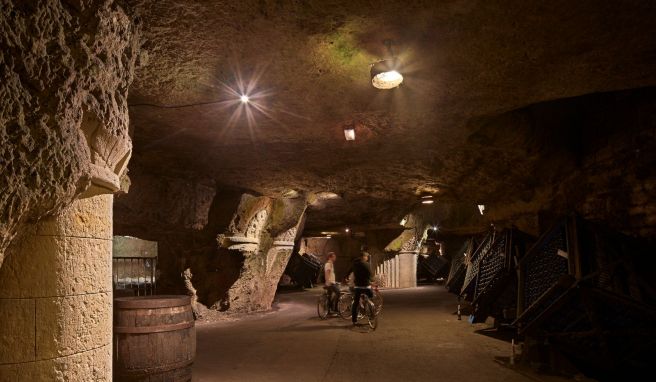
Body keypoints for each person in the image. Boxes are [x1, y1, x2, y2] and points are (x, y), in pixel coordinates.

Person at [345, 251, 373, 325]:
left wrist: (346, 277)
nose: (367, 258)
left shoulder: (354, 264)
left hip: (358, 287)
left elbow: (348, 271)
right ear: (364, 257)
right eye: (366, 257)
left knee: (356, 303)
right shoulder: (367, 264)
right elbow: (370, 274)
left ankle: (354, 320)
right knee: (371, 297)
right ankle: (371, 316)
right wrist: (371, 280)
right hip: (366, 286)